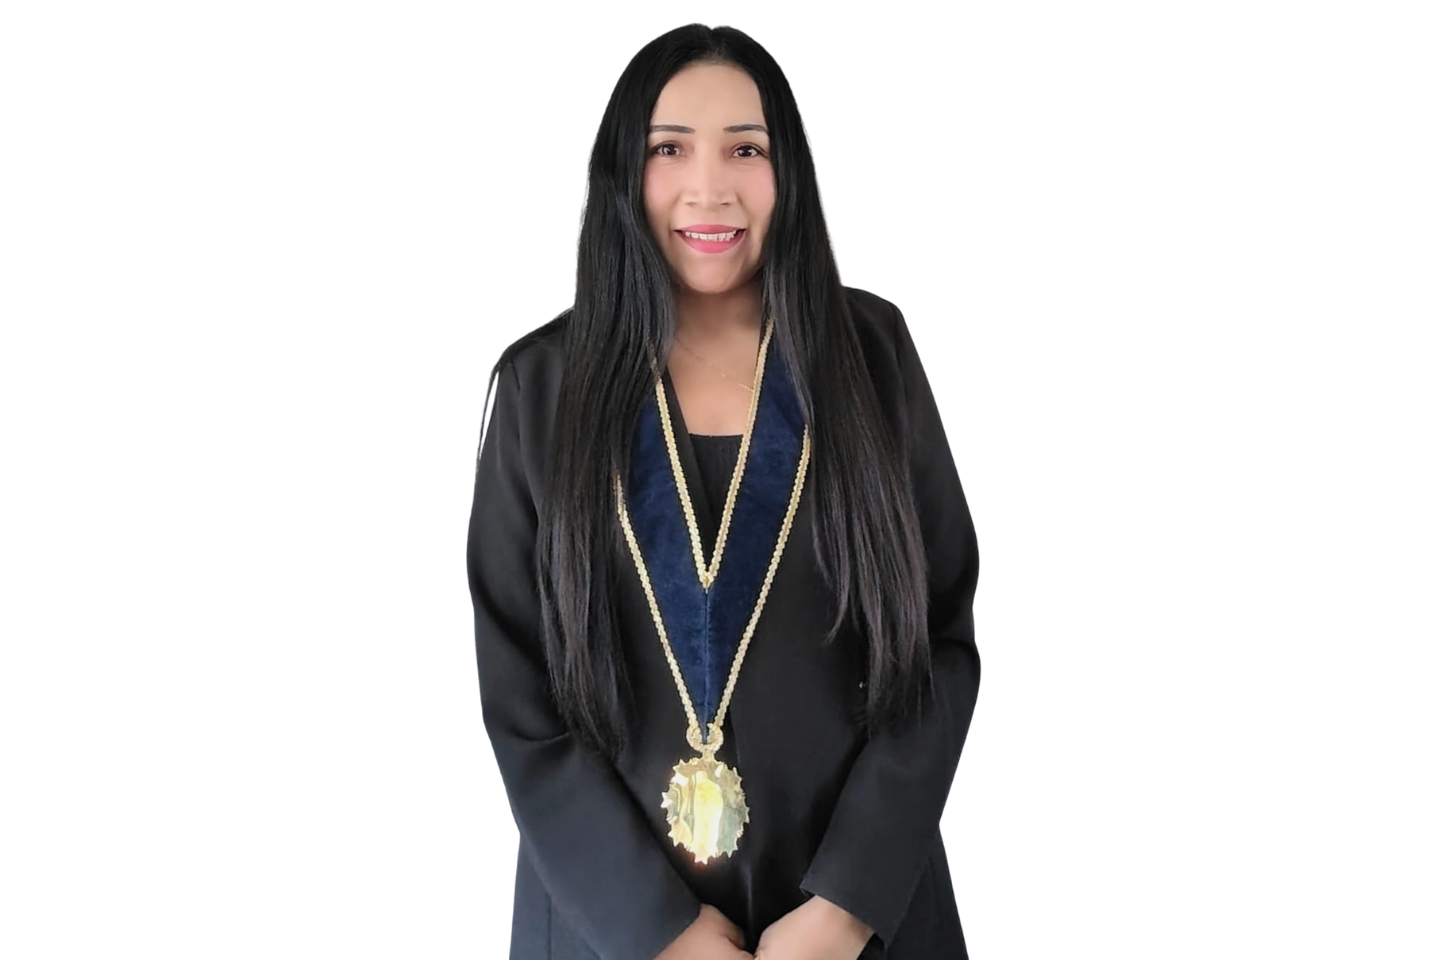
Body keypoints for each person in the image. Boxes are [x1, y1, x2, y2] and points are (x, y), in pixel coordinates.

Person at [466, 23, 980, 960]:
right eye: (669, 150)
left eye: (746, 149)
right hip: (609, 925)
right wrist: (655, 929)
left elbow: (938, 645)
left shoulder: (869, 359)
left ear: (790, 172)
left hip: (853, 921)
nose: (710, 189)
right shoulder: (543, 390)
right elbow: (522, 699)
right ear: (623, 173)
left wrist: (845, 908)